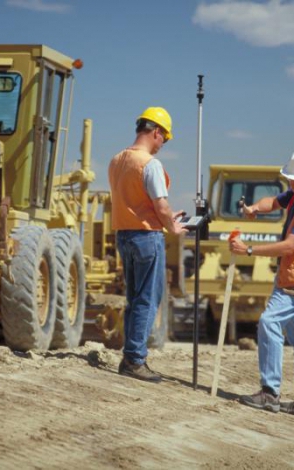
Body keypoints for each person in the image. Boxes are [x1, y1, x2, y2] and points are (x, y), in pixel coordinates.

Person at [229, 148, 294, 421]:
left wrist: (249, 251)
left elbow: (290, 246)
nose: (290, 183)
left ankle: (269, 392)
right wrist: (254, 208)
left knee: (268, 323)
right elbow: (274, 202)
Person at [108, 107, 188, 383]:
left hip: (124, 235)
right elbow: (160, 204)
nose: (162, 144)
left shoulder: (117, 160)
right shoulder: (149, 164)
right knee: (147, 299)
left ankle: (131, 355)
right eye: (163, 138)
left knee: (134, 298)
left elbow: (135, 201)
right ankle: (134, 360)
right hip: (145, 237)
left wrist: (164, 217)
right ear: (156, 132)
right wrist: (172, 226)